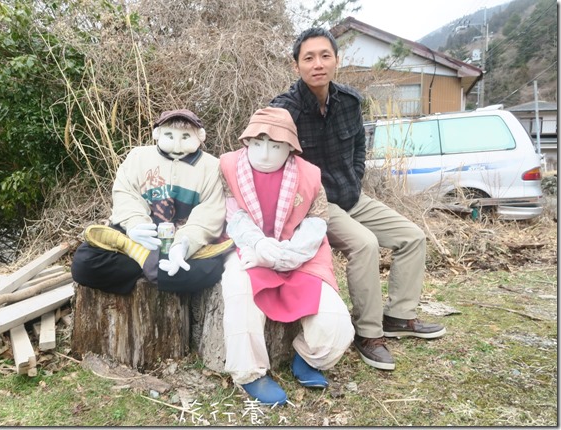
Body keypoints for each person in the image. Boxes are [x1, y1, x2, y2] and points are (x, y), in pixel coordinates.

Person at [270, 28, 445, 371]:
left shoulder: (350, 101)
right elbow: (271, 161)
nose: (317, 64)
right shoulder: (284, 110)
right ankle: (368, 334)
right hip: (316, 206)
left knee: (412, 237)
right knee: (364, 244)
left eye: (325, 55)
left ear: (337, 60)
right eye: (308, 58)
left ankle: (398, 317)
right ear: (296, 66)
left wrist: (356, 174)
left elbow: (360, 147)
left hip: (352, 195)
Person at [220, 107, 354, 406]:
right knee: (239, 291)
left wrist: (283, 256)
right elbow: (234, 215)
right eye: (257, 143)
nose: (265, 153)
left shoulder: (309, 174)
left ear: (290, 148)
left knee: (336, 322)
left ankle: (309, 357)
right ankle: (249, 372)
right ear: (246, 143)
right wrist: (260, 246)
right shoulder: (228, 167)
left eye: (275, 145)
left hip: (300, 254)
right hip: (249, 249)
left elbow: (316, 223)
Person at [71, 109, 232, 295]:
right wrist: (134, 225)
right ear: (157, 134)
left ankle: (145, 264)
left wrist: (185, 245)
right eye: (169, 135)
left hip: (180, 243)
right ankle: (150, 265)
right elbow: (125, 194)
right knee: (85, 263)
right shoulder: (138, 156)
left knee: (210, 270)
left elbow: (210, 212)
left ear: (200, 136)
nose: (177, 144)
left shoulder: (211, 167)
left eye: (186, 136)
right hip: (140, 238)